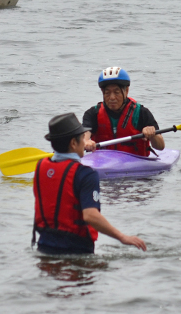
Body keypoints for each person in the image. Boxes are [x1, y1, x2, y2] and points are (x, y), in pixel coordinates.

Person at [33, 113, 147, 255]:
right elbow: (90, 216)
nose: (84, 142)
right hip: (76, 251)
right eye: (82, 138)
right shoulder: (86, 174)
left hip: (43, 248)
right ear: (74, 143)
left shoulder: (40, 167)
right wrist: (122, 237)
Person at [82, 67, 164, 157]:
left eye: (116, 92)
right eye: (107, 93)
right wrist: (85, 142)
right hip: (102, 165)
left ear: (126, 91)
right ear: (102, 92)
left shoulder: (141, 113)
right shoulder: (92, 113)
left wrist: (152, 135)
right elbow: (85, 135)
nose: (112, 97)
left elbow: (160, 146)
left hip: (135, 166)